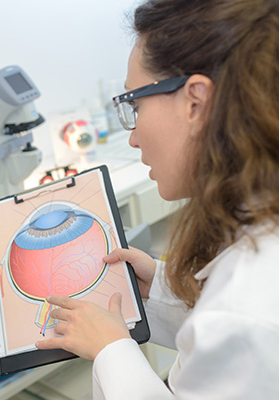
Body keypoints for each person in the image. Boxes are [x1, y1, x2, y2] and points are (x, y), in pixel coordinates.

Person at [35, 0, 279, 398]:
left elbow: (236, 324)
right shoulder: (259, 213)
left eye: (135, 104)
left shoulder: (246, 306)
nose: (132, 136)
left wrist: (112, 350)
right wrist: (162, 287)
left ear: (196, 103)